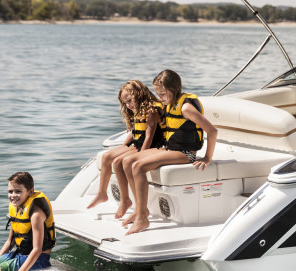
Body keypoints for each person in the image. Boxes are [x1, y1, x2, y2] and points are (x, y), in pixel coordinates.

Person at [120, 69, 217, 235]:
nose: (160, 98)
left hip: (186, 153)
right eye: (158, 93)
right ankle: (139, 209)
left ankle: (142, 218)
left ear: (174, 89)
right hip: (171, 149)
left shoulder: (185, 107)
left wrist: (207, 158)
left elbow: (212, 131)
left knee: (138, 167)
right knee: (127, 162)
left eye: (163, 94)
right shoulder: (169, 104)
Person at [86, 80, 164, 219]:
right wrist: (123, 147)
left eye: (129, 101)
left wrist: (141, 155)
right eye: (125, 103)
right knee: (108, 157)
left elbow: (149, 136)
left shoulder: (151, 110)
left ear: (139, 95)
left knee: (120, 162)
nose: (128, 106)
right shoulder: (138, 109)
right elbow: (135, 132)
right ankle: (107, 195)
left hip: (150, 146)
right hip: (138, 144)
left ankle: (139, 207)